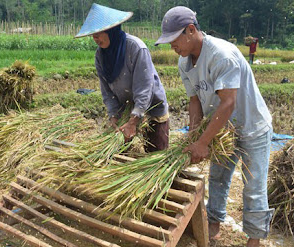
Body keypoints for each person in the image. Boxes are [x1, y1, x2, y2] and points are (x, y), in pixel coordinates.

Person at [155, 6, 273, 247]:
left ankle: (254, 239)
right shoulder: (184, 62)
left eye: (173, 40)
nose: (172, 47)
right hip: (223, 130)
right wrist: (195, 134)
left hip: (252, 128)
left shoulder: (221, 54)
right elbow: (195, 100)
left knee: (254, 188)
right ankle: (214, 225)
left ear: (190, 30)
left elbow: (228, 103)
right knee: (218, 179)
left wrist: (203, 143)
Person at [75, 3, 169, 152]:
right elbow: (107, 91)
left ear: (111, 30)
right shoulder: (100, 56)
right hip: (125, 110)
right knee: (119, 154)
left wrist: (135, 119)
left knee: (155, 155)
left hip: (151, 107)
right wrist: (114, 116)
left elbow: (144, 88)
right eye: (93, 35)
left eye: (98, 34)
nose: (95, 38)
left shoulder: (136, 48)